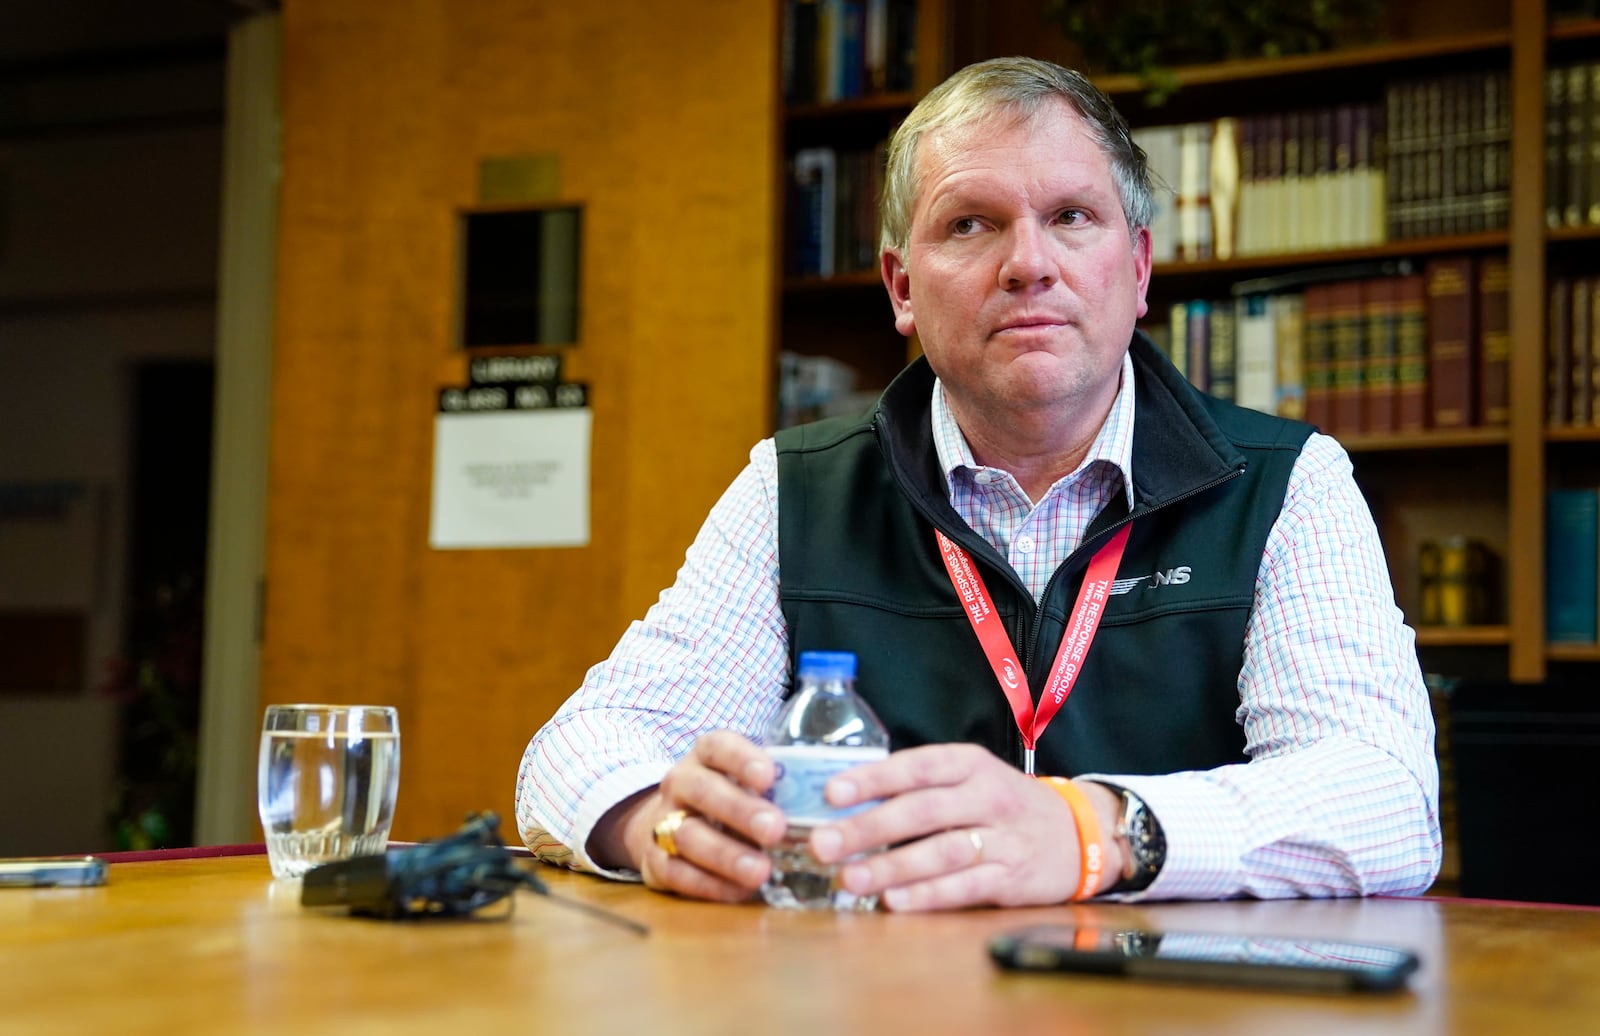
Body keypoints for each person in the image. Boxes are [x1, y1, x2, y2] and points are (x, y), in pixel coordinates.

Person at [515, 56, 1441, 911]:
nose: (1028, 262)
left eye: (1072, 217)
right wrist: (653, 823)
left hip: (1175, 1000)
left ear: (1139, 267)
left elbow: (1386, 799)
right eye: (971, 224)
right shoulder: (794, 492)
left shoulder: (1285, 485)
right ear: (902, 287)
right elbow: (577, 751)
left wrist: (1096, 832)